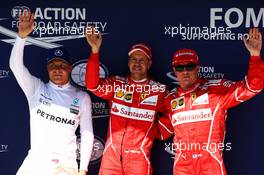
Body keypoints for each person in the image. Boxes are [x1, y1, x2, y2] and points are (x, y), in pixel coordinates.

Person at [159, 28, 264, 175]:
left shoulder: (216, 90)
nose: (185, 71)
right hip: (183, 168)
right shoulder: (170, 99)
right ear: (174, 70)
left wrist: (255, 55)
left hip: (211, 165)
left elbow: (253, 86)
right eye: (180, 67)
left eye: (190, 66)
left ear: (198, 68)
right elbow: (159, 131)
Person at [9, 11, 94, 175]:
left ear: (70, 68)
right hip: (36, 162)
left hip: (65, 166)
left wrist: (83, 169)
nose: (57, 70)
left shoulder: (81, 97)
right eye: (53, 66)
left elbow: (87, 134)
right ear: (47, 68)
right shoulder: (36, 88)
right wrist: (21, 37)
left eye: (62, 66)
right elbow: (15, 66)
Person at [85, 28, 173, 175]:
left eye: (141, 60)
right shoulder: (117, 84)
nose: (137, 63)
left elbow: (176, 113)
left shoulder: (159, 90)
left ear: (149, 63)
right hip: (111, 157)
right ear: (128, 62)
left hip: (139, 158)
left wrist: (158, 132)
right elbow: (92, 85)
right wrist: (95, 51)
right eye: (133, 59)